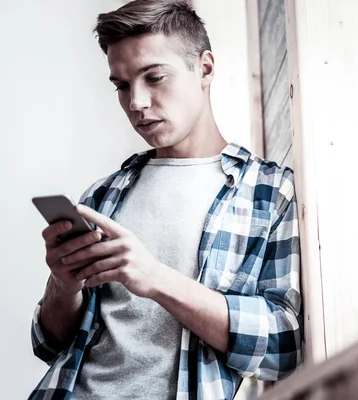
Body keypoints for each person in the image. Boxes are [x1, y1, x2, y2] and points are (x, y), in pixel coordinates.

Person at [29, 1, 302, 399]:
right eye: (122, 85)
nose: (136, 103)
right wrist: (63, 284)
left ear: (204, 68)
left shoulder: (268, 193)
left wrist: (157, 279)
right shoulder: (102, 196)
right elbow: (47, 344)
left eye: (154, 77)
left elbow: (283, 346)